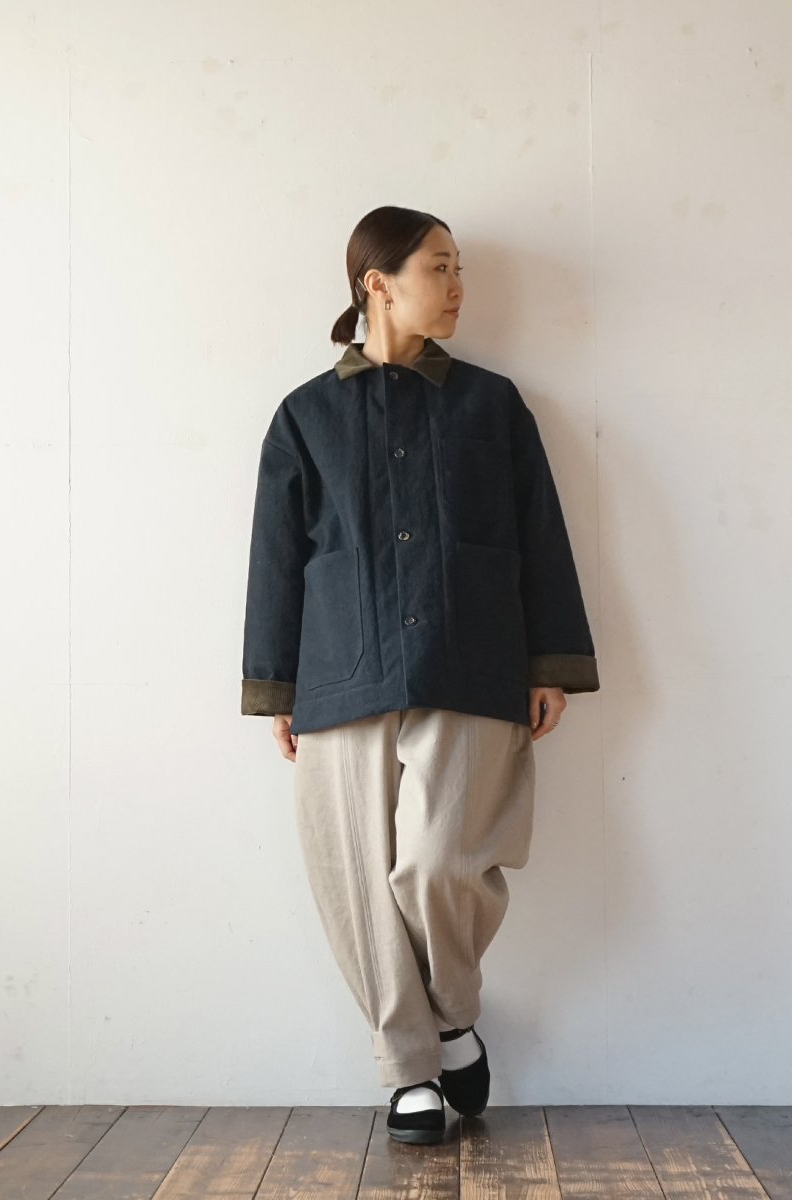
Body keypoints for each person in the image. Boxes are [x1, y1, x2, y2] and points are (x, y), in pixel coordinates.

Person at [240, 205, 598, 1143]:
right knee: (358, 881)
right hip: (340, 671)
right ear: (378, 283)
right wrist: (275, 689)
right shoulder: (305, 416)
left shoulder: (492, 404)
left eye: (458, 267)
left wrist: (551, 661)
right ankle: (412, 1070)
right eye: (440, 267)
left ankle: (449, 1020)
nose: (457, 286)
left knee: (440, 864)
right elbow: (276, 559)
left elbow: (540, 535)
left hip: (471, 660)